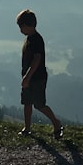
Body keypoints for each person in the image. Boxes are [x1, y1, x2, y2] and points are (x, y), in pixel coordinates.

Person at [16, 9, 63, 139]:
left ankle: (56, 123)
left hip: (37, 78)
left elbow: (37, 59)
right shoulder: (30, 38)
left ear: (27, 25)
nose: (20, 30)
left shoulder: (36, 40)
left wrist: (27, 77)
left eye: (21, 26)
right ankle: (27, 128)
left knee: (39, 104)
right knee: (27, 102)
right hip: (29, 77)